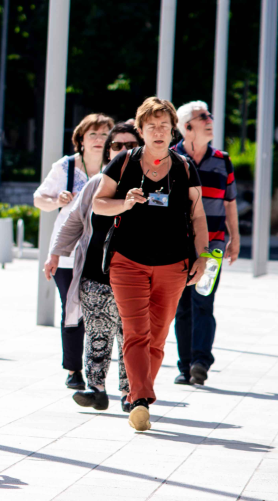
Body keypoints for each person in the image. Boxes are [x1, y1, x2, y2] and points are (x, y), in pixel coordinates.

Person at [93, 97, 208, 432]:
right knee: (136, 332)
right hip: (127, 262)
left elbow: (198, 216)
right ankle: (140, 400)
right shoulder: (123, 162)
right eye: (151, 126)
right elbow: (98, 204)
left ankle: (137, 393)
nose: (158, 132)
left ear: (172, 131)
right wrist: (124, 202)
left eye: (164, 126)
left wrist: (203, 257)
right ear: (141, 130)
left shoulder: (185, 167)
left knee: (157, 336)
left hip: (173, 265)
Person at [50, 122, 138, 412]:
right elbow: (73, 221)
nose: (123, 151)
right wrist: (55, 254)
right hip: (95, 274)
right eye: (117, 146)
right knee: (97, 333)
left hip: (135, 277)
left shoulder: (149, 187)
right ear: (108, 152)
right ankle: (96, 389)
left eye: (130, 146)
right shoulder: (96, 184)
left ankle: (129, 393)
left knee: (129, 337)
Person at [35, 113, 114, 389]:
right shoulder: (66, 167)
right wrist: (57, 200)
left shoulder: (115, 166)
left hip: (102, 252)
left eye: (104, 134)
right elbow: (39, 199)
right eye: (93, 134)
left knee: (100, 312)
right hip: (67, 252)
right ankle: (73, 369)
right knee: (71, 310)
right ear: (81, 139)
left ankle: (98, 371)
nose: (99, 140)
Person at [171, 101, 239, 386]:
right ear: (187, 126)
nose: (210, 120)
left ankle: (200, 362)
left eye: (209, 115)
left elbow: (230, 202)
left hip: (213, 246)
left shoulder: (222, 160)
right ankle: (184, 366)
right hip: (176, 245)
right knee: (181, 306)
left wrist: (234, 238)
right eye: (203, 117)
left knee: (203, 300)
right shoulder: (170, 157)